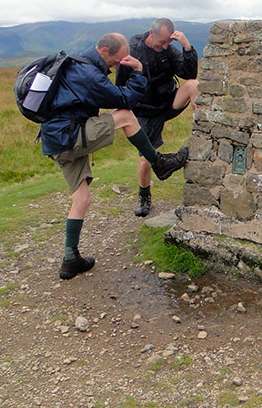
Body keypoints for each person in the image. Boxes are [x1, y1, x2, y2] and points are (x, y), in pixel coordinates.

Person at [40, 33, 188, 280]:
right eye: (117, 61)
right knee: (126, 116)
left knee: (82, 199)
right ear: (104, 50)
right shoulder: (88, 74)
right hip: (69, 136)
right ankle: (159, 164)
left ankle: (70, 259)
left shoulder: (78, 64)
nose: (118, 66)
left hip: (57, 141)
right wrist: (139, 72)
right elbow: (125, 99)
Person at [116, 18, 199, 217]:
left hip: (167, 102)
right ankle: (144, 196)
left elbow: (189, 73)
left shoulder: (169, 51)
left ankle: (204, 130)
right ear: (151, 33)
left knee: (193, 85)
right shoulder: (133, 50)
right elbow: (120, 84)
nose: (164, 46)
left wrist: (187, 47)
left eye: (168, 42)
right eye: (161, 42)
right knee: (146, 160)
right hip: (144, 111)